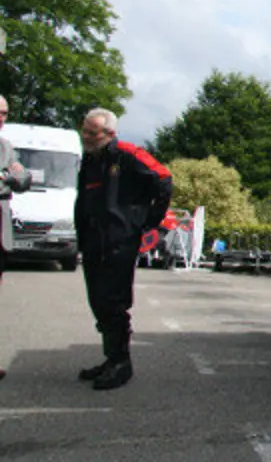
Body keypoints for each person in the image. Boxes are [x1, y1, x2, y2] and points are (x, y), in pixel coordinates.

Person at [74, 108, 172, 390]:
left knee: (113, 301)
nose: (86, 136)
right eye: (85, 130)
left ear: (110, 133)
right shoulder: (90, 158)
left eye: (93, 132)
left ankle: (121, 363)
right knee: (98, 301)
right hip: (93, 239)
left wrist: (148, 220)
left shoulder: (127, 154)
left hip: (119, 241)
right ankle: (111, 357)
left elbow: (164, 178)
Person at [0, 96, 32, 382]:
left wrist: (10, 178)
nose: (1, 118)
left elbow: (23, 179)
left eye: (4, 113)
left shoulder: (5, 147)